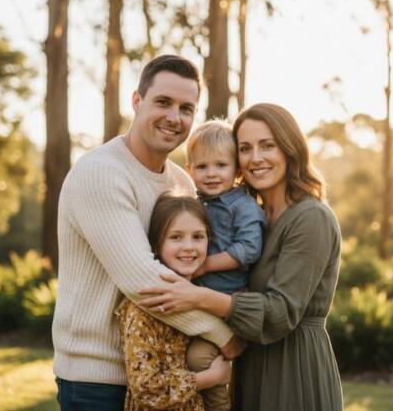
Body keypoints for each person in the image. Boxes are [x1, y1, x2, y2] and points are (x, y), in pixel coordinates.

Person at [52, 55, 244, 410]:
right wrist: (224, 335)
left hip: (167, 374)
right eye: (163, 102)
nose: (174, 117)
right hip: (98, 378)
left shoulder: (183, 183)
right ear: (137, 101)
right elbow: (145, 282)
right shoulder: (101, 173)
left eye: (186, 108)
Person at [139, 103, 343, 410]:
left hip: (293, 366)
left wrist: (197, 296)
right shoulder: (255, 216)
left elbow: (280, 312)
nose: (255, 158)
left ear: (290, 149)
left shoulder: (311, 218)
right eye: (245, 148)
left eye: (267, 146)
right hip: (251, 362)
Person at [116, 193, 231, 410]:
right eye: (176, 237)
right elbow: (147, 389)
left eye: (198, 236)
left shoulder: (205, 297)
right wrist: (212, 377)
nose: (189, 246)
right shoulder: (146, 305)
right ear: (157, 245)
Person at [183, 120, 266, 411]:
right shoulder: (194, 204)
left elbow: (249, 248)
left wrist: (205, 266)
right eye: (202, 167)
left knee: (199, 359)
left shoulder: (242, 206)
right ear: (190, 169)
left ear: (237, 170)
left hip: (225, 305)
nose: (212, 174)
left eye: (221, 165)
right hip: (195, 304)